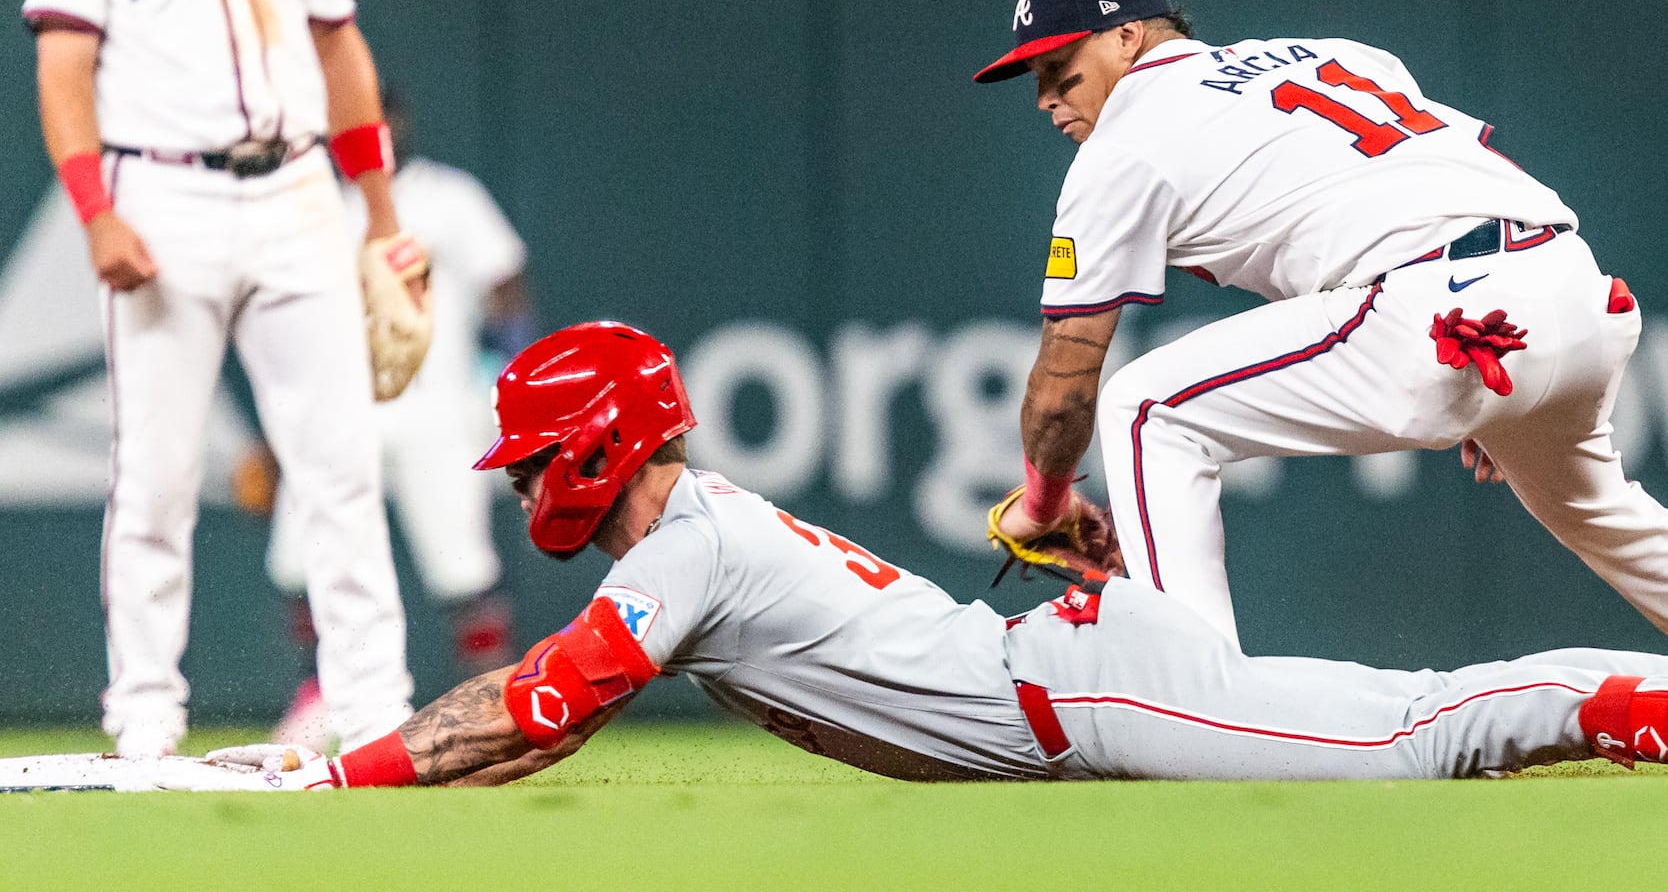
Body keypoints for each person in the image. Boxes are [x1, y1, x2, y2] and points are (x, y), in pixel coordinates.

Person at [183, 322, 1668, 789]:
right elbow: (532, 728)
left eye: (528, 465)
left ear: (599, 445)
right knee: (1399, 730)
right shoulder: (693, 538)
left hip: (1078, 696)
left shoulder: (687, 543)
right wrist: (367, 763)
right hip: (1058, 684)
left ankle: (1625, 698)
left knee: (1408, 739)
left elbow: (543, 705)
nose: (520, 495)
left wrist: (339, 770)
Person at [975, 0, 1668, 648]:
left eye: (1060, 70)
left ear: (1127, 35)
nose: (1046, 97)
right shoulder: (1336, 53)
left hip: (1445, 311)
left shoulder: (1120, 148)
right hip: (1574, 293)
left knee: (1146, 408)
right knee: (1603, 515)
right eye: (1036, 78)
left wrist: (1044, 504)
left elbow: (1065, 388)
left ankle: (1196, 707)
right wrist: (1523, 386)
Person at [24, 0, 415, 756]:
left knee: (341, 465)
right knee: (158, 476)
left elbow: (336, 40)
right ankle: (145, 712)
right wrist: (96, 215)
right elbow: (65, 69)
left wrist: (381, 219)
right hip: (161, 190)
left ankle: (373, 707)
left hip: (298, 185)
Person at [259, 89, 536, 745]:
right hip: (336, 408)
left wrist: (511, 378)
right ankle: (319, 694)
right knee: (302, 560)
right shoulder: (312, 203)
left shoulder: (448, 196)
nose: (374, 128)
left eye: (384, 115)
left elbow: (506, 287)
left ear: (402, 122)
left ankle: (495, 705)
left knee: (461, 567)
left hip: (436, 409)